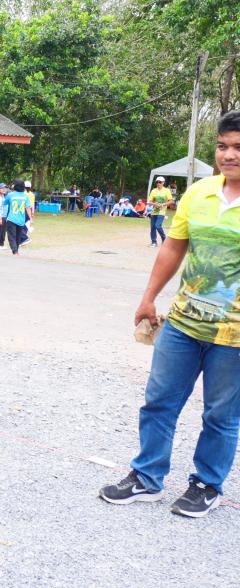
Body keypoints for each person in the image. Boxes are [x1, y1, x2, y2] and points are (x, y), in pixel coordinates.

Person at [99, 110, 240, 518]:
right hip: (183, 323)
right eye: (222, 146)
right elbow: (173, 247)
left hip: (233, 335)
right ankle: (147, 477)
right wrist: (149, 297)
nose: (228, 155)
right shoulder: (199, 193)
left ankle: (206, 485)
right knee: (159, 401)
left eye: (237, 148)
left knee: (221, 414)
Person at [4, 179, 33, 255]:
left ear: (15, 186)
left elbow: (5, 203)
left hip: (11, 219)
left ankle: (15, 252)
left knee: (11, 236)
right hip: (21, 220)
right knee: (18, 237)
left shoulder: (10, 195)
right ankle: (16, 252)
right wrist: (31, 218)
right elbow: (28, 208)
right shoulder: (25, 196)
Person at [148, 176, 172, 247]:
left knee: (158, 226)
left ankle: (164, 239)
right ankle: (154, 242)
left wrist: (163, 204)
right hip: (154, 211)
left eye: (160, 182)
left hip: (162, 211)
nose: (158, 183)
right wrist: (154, 204)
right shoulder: (153, 191)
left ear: (163, 183)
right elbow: (150, 201)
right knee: (153, 227)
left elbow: (171, 201)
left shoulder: (167, 191)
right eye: (157, 182)